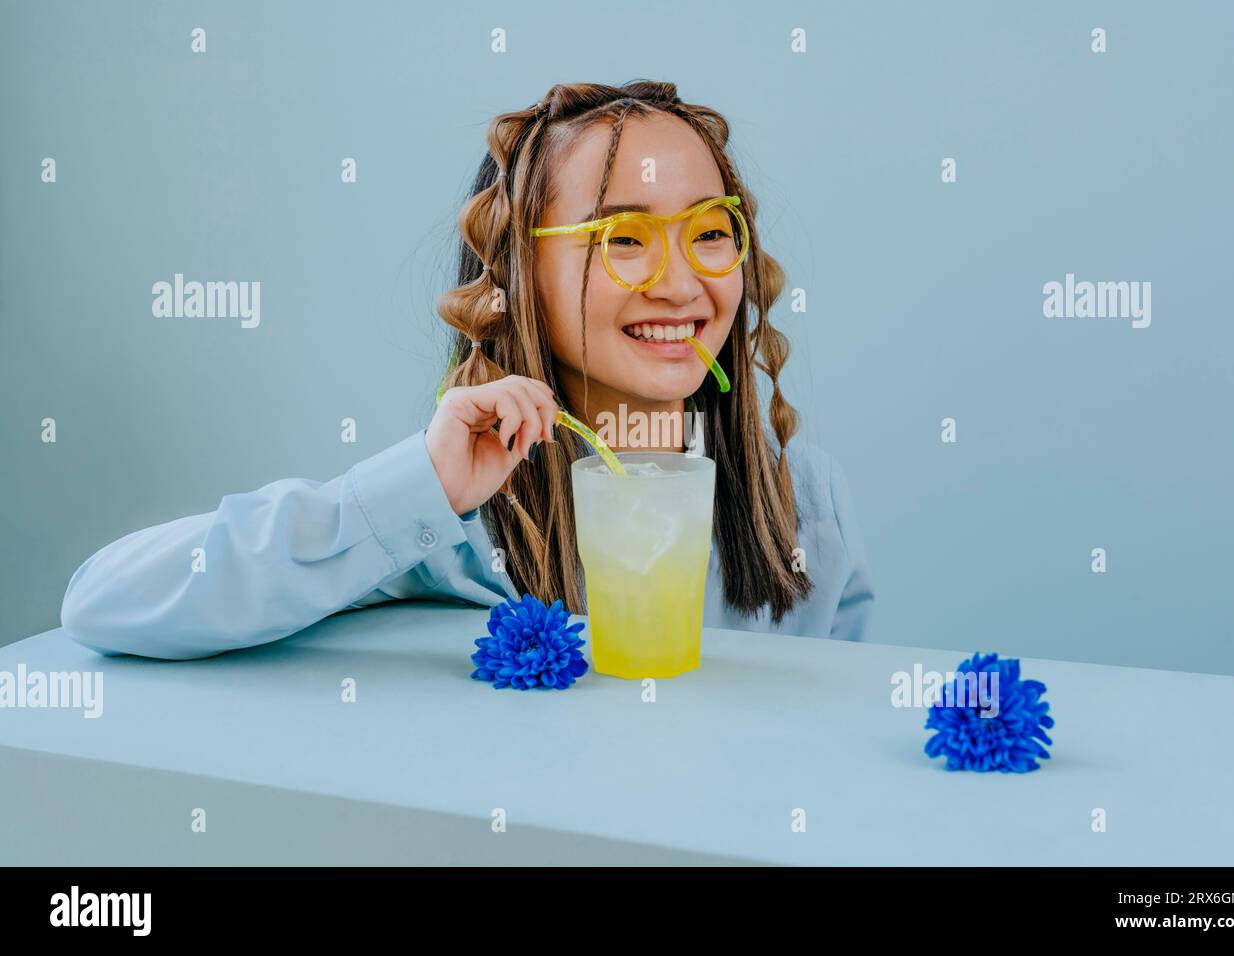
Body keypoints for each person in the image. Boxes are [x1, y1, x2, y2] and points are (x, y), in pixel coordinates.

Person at [61, 80, 873, 661]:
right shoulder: (455, 524)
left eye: (710, 232)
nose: (681, 281)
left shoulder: (803, 502)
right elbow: (107, 602)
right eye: (623, 236)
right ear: (517, 271)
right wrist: (421, 488)